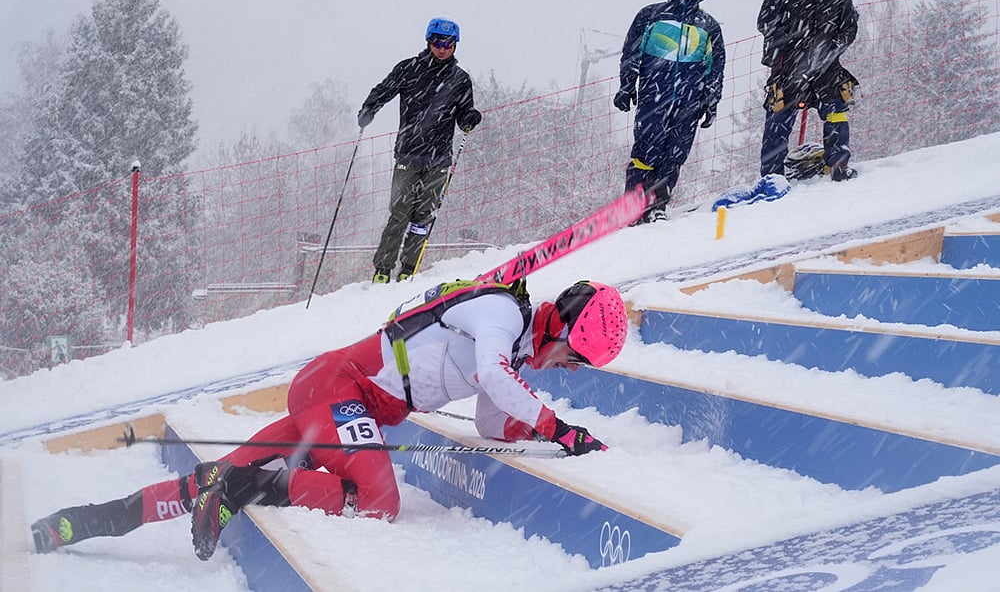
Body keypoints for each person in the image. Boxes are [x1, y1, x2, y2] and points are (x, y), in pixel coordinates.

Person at [31, 280, 628, 562]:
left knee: (207, 479)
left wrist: (540, 431)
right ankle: (249, 487)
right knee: (378, 499)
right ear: (566, 329)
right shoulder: (501, 312)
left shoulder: (514, 344)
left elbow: (495, 420)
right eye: (578, 356)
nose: (572, 369)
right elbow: (497, 378)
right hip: (339, 390)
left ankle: (77, 523)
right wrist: (559, 428)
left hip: (340, 403)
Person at [358, 17, 483, 283]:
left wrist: (470, 118)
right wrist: (369, 109)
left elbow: (463, 115)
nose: (443, 48)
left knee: (423, 216)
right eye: (438, 42)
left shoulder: (460, 80)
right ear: (429, 41)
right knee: (399, 213)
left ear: (455, 46)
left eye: (449, 44)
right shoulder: (409, 69)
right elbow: (383, 91)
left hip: (438, 159)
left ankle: (408, 270)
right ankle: (382, 270)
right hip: (408, 154)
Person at [614, 0, 726, 223]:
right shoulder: (651, 16)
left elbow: (716, 67)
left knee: (674, 155)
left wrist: (711, 101)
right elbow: (631, 53)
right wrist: (626, 85)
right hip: (654, 97)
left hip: (690, 102)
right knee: (645, 152)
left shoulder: (708, 26)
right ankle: (632, 205)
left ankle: (656, 206)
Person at [758, 0, 860, 182]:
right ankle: (772, 178)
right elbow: (765, 20)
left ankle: (837, 166)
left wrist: (832, 48)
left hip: (827, 67)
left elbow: (849, 27)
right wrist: (790, 43)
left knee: (836, 110)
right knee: (779, 118)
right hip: (788, 66)